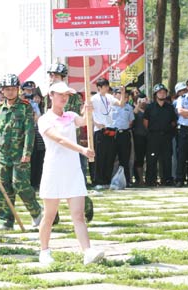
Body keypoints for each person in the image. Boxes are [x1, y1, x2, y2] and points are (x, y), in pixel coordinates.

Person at [37, 81, 103, 265]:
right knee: (49, 215)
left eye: (66, 94)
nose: (64, 98)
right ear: (51, 96)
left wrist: (87, 112)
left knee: (78, 215)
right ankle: (44, 251)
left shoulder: (71, 115)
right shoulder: (44, 120)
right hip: (53, 170)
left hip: (73, 170)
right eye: (59, 94)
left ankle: (88, 251)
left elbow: (84, 122)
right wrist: (82, 150)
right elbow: (59, 140)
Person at [0, 73, 43, 229]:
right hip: (3, 154)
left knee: (20, 185)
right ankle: (5, 221)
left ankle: (37, 213)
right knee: (3, 187)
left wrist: (27, 152)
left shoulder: (25, 106)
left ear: (18, 90)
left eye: (13, 89)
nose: (10, 92)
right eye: (7, 89)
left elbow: (29, 131)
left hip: (20, 154)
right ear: (2, 91)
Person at [46, 63, 93, 223]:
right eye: (51, 75)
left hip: (72, 141)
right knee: (53, 185)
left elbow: (78, 117)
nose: (53, 78)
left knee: (75, 180)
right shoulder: (48, 94)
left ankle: (85, 206)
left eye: (56, 75)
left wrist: (86, 112)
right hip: (53, 143)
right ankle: (53, 215)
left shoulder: (72, 96)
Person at [91, 78, 125, 187]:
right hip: (100, 130)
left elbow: (120, 104)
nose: (106, 88)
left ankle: (106, 180)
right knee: (99, 156)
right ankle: (98, 181)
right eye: (104, 86)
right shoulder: (94, 98)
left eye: (107, 86)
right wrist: (95, 123)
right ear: (99, 88)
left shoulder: (109, 97)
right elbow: (86, 112)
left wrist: (123, 93)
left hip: (110, 129)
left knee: (109, 156)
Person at [144, 83, 178, 186]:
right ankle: (151, 180)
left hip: (166, 136)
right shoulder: (150, 107)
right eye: (160, 92)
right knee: (152, 159)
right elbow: (145, 122)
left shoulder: (170, 107)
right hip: (153, 136)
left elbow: (174, 121)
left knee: (167, 158)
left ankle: (167, 179)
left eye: (164, 92)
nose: (162, 94)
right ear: (155, 94)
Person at [108, 88, 134, 186]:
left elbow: (131, 121)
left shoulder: (129, 107)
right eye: (120, 93)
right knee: (111, 158)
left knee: (125, 158)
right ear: (114, 95)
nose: (122, 95)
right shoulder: (109, 107)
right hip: (112, 134)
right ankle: (109, 179)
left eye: (124, 94)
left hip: (124, 134)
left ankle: (126, 180)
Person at [132, 93, 148, 186]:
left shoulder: (149, 108)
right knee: (139, 159)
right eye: (140, 99)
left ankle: (149, 178)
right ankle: (139, 179)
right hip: (138, 137)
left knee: (149, 159)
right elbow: (133, 114)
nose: (142, 101)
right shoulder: (134, 108)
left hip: (149, 137)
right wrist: (138, 105)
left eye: (143, 99)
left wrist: (147, 103)